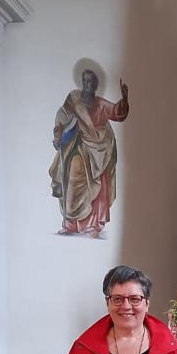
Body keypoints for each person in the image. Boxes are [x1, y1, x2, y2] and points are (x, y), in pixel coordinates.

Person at [49, 67, 129, 237]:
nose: (87, 84)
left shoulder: (100, 104)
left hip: (98, 151)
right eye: (85, 81)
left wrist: (125, 100)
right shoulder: (74, 100)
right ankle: (71, 224)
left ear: (96, 85)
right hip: (77, 147)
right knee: (72, 178)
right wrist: (61, 132)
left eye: (91, 81)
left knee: (98, 184)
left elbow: (117, 112)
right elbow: (62, 116)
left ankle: (92, 225)